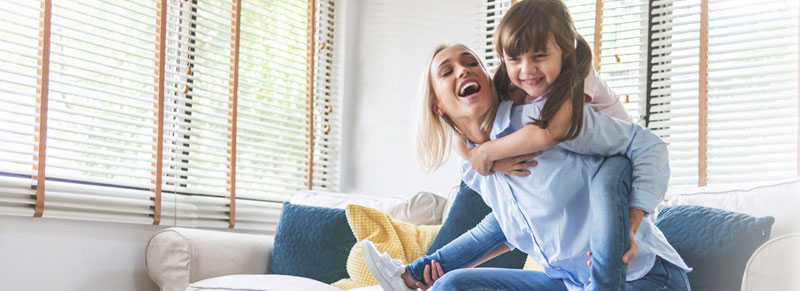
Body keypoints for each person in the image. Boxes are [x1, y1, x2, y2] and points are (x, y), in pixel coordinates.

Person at [362, 1, 691, 290]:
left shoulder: (549, 113)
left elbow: (647, 146)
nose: (463, 71)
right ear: (438, 106)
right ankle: (411, 276)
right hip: (573, 280)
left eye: (470, 62)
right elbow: (508, 227)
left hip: (644, 278)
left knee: (613, 171)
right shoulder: (474, 167)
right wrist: (482, 157)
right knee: (452, 285)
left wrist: (634, 221)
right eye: (448, 72)